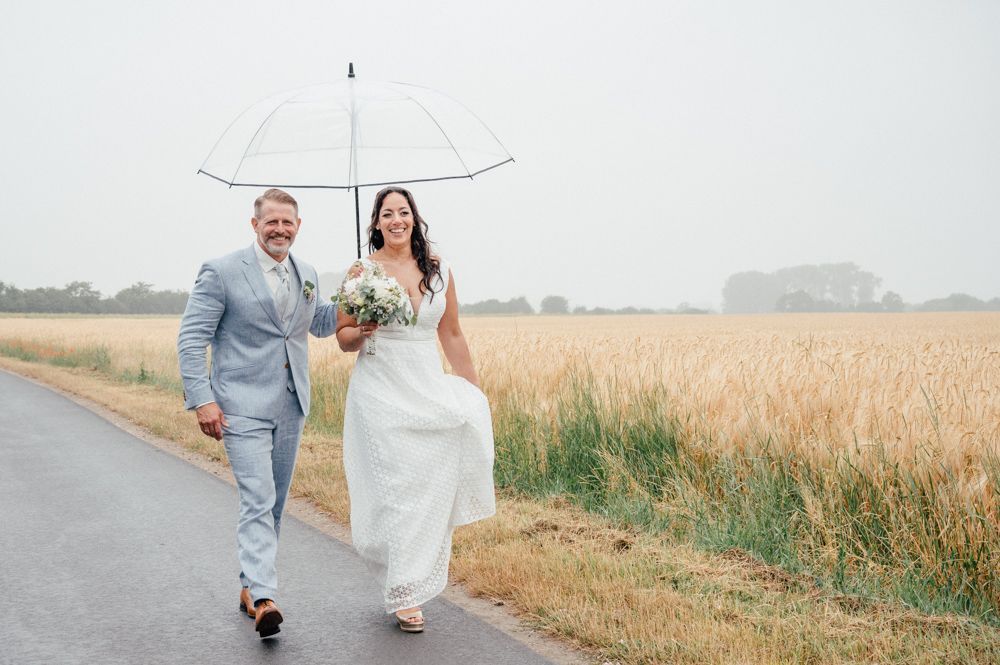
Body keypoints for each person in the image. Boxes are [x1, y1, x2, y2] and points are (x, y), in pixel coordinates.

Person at [177, 188, 338, 638]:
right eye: (272, 222)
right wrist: (203, 399)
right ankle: (266, 596)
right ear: (255, 225)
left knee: (276, 503)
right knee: (258, 498)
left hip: (292, 403)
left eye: (288, 223)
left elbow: (318, 323)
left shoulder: (306, 272)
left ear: (298, 226)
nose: (280, 230)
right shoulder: (222, 271)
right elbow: (191, 339)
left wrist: (361, 295)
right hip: (240, 407)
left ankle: (249, 588)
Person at [336, 186, 496, 633]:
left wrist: (473, 393)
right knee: (398, 490)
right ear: (376, 223)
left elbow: (453, 335)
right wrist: (363, 329)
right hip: (380, 388)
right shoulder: (361, 271)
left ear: (414, 218)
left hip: (425, 385)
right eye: (387, 214)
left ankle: (405, 575)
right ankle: (405, 590)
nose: (396, 220)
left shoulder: (439, 270)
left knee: (426, 487)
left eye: (403, 212)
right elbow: (343, 337)